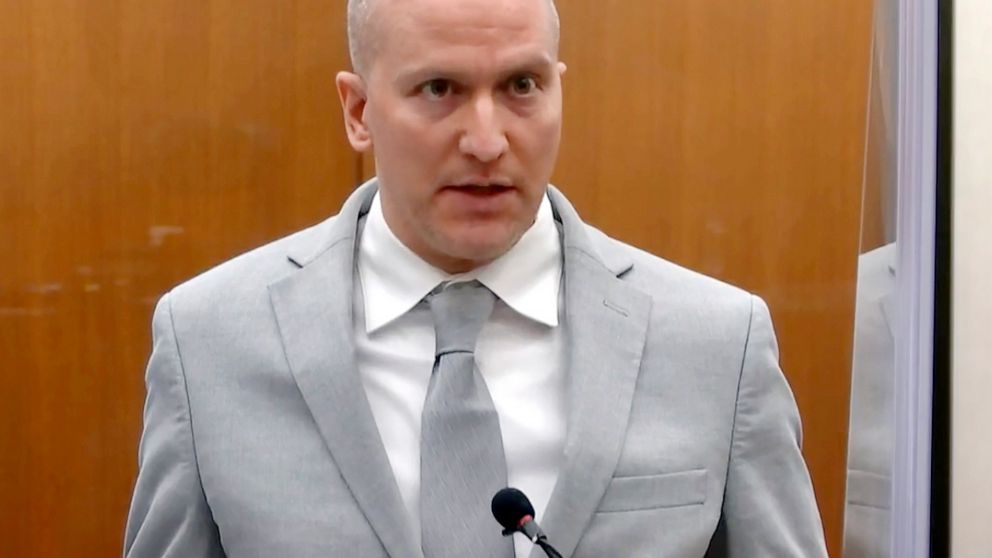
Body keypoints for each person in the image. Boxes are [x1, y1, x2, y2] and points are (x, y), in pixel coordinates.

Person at [124, 0, 829, 556]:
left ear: (559, 89)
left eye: (522, 85)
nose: (487, 141)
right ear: (359, 112)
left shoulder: (716, 343)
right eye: (439, 89)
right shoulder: (208, 342)